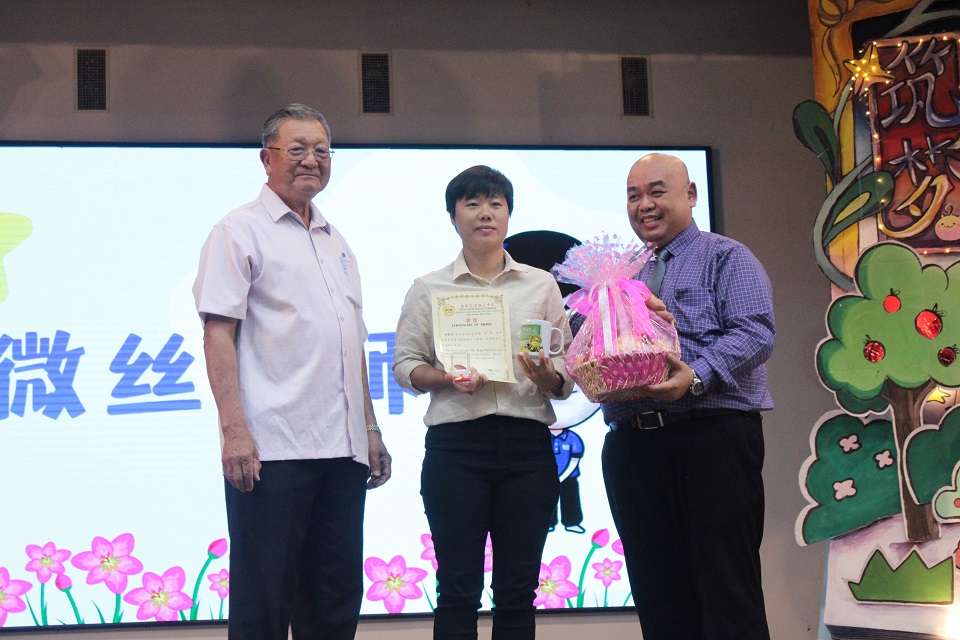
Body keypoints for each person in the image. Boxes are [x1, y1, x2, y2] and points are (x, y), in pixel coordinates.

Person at [193, 104, 391, 640]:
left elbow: (350, 342)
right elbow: (217, 333)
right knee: (264, 600)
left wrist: (370, 429)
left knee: (334, 599)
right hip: (273, 450)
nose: (312, 160)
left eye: (322, 150)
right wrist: (234, 432)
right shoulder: (238, 231)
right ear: (267, 159)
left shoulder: (335, 240)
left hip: (343, 450)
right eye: (297, 149)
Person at [597, 153, 775, 640]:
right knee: (658, 598)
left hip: (711, 438)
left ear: (690, 195)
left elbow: (755, 332)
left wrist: (694, 375)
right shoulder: (617, 277)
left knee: (728, 593)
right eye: (634, 196)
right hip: (632, 446)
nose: (644, 205)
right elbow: (594, 349)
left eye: (657, 191)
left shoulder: (726, 256)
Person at [393, 165, 573, 640]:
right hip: (456, 450)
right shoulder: (429, 288)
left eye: (496, 203)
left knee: (517, 592)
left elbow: (566, 372)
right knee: (457, 589)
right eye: (471, 204)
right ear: (453, 218)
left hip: (528, 449)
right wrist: (447, 379)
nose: (485, 213)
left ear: (509, 215)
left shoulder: (541, 284)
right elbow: (406, 366)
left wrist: (549, 376)